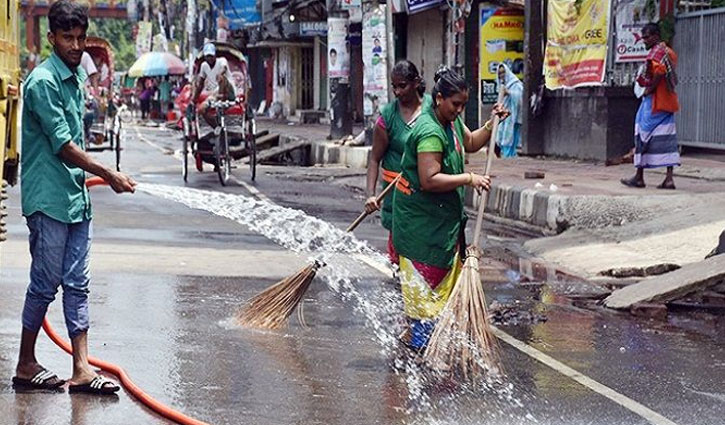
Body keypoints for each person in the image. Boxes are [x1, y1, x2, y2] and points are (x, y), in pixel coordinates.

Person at [13, 0, 136, 395]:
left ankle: (81, 368)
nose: (76, 45)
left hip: (75, 198)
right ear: (52, 38)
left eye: (81, 38)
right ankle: (25, 362)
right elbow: (64, 145)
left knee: (78, 284)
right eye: (68, 38)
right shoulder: (43, 82)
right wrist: (108, 173)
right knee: (45, 284)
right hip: (48, 199)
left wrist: (93, 177)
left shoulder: (75, 76)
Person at [392, 67, 508, 351]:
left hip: (442, 227)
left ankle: (428, 352)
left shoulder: (451, 122)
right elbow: (429, 179)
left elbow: (469, 143)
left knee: (439, 306)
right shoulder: (430, 131)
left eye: (463, 105)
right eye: (455, 104)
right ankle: (420, 357)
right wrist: (469, 178)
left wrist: (491, 125)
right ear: (439, 99)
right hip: (421, 231)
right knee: (425, 309)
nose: (459, 110)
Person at [364, 60, 430, 263]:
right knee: (400, 263)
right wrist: (371, 195)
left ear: (416, 82)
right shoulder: (388, 116)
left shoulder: (433, 109)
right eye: (394, 86)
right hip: (397, 199)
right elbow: (375, 159)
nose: (398, 92)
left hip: (427, 198)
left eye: (403, 85)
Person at [621, 23, 680, 190]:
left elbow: (660, 71)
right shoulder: (668, 52)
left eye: (646, 37)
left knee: (642, 136)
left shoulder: (657, 52)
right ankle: (669, 179)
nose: (644, 41)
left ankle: (639, 177)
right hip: (667, 102)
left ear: (655, 36)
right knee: (667, 137)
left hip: (654, 102)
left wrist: (649, 89)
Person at [193, 42, 236, 127]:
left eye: (211, 56)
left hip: (228, 91)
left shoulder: (222, 61)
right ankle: (216, 126)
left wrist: (220, 73)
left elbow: (224, 68)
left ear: (215, 55)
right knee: (201, 110)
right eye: (207, 56)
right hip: (214, 94)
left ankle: (220, 98)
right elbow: (200, 83)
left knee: (221, 78)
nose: (210, 58)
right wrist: (194, 99)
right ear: (205, 57)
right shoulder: (204, 66)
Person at [496, 63, 523, 158]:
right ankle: (505, 154)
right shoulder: (501, 85)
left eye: (503, 73)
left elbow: (521, 97)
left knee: (512, 136)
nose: (501, 75)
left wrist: (509, 93)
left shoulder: (515, 83)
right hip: (504, 116)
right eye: (499, 73)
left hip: (514, 116)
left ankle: (510, 155)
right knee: (503, 134)